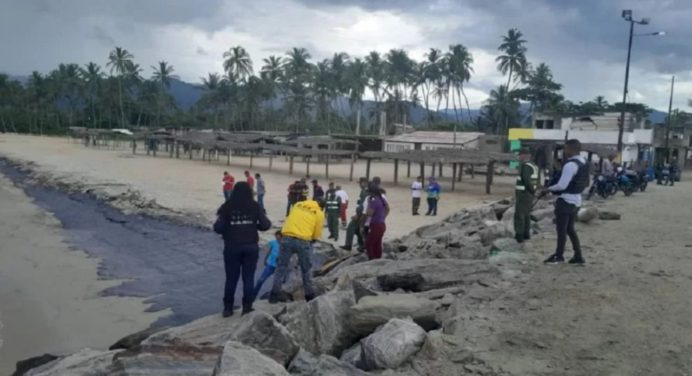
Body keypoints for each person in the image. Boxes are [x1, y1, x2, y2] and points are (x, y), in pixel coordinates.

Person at [213, 182, 271, 317]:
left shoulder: (227, 206)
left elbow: (218, 228)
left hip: (232, 247)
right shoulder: (255, 206)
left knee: (231, 279)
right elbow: (266, 225)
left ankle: (228, 309)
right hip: (250, 246)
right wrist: (253, 226)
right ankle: (247, 307)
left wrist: (230, 228)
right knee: (248, 278)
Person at [269, 196, 325, 303]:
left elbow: (289, 219)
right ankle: (309, 296)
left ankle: (274, 295)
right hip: (303, 241)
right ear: (321, 207)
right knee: (306, 269)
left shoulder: (298, 205)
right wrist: (312, 240)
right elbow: (316, 233)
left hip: (287, 238)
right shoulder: (319, 213)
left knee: (281, 267)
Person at [542, 139, 589, 265]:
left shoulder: (570, 165)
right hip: (577, 200)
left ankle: (559, 255)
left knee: (561, 230)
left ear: (571, 149)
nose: (565, 151)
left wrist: (548, 189)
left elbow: (562, 185)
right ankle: (578, 256)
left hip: (565, 200)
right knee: (570, 229)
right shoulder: (584, 162)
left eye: (566, 148)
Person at [514, 148, 539, 243]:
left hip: (524, 194)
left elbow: (527, 181)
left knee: (519, 214)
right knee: (526, 214)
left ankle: (519, 235)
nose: (519, 157)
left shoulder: (526, 166)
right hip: (529, 194)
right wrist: (534, 191)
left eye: (519, 155)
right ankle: (526, 234)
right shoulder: (534, 166)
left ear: (524, 155)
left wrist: (531, 191)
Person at [341, 178, 369, 251]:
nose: (359, 185)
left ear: (365, 183)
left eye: (360, 183)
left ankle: (348, 245)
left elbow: (363, 205)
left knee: (351, 227)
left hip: (362, 214)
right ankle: (362, 244)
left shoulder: (365, 192)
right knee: (357, 230)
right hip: (362, 213)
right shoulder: (364, 191)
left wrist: (357, 215)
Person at [362, 184, 389, 260]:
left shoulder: (374, 202)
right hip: (382, 224)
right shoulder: (382, 199)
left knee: (369, 243)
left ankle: (371, 258)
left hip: (375, 225)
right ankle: (378, 257)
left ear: (372, 193)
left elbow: (369, 213)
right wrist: (383, 217)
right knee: (377, 242)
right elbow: (388, 209)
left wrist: (369, 205)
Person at [253, 231, 282, 300]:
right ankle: (253, 296)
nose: (277, 238)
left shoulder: (284, 245)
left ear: (281, 237)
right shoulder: (273, 242)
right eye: (276, 236)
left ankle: (275, 296)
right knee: (260, 280)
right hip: (270, 264)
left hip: (279, 266)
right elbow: (269, 250)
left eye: (278, 236)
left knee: (277, 282)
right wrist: (265, 259)